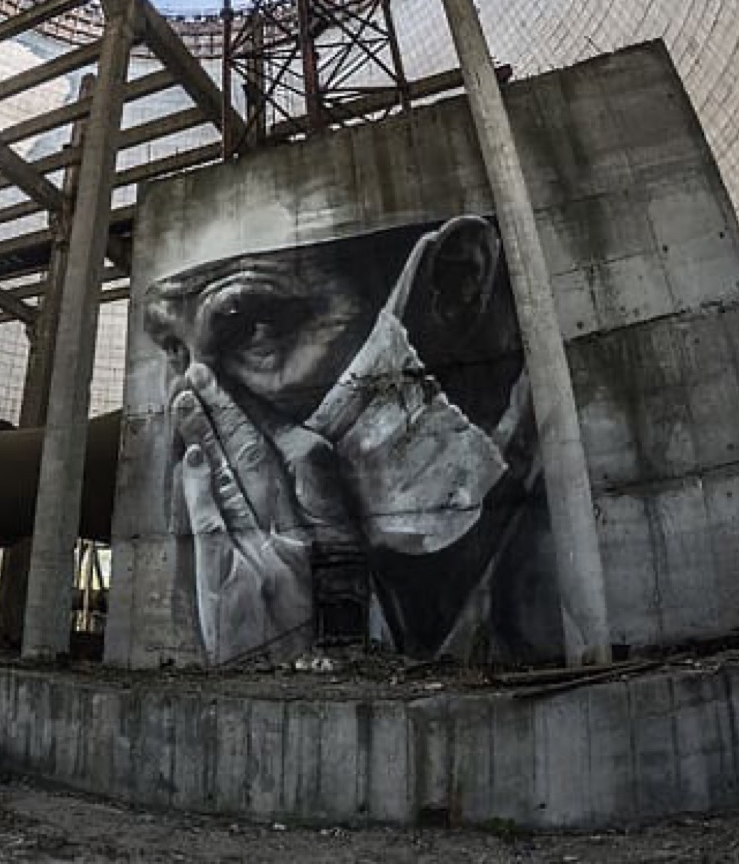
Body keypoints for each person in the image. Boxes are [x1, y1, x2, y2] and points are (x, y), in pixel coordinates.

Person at [144, 216, 556, 666]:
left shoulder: (562, 549)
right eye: (174, 350)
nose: (197, 398)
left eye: (254, 331)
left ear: (455, 283)